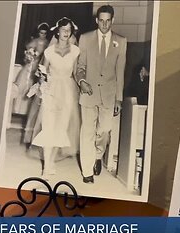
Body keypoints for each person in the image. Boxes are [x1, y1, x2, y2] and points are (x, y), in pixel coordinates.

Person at [76, 5, 127, 184]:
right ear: (97, 20)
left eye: (108, 21)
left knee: (104, 130)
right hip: (88, 94)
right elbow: (80, 66)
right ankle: (87, 171)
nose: (104, 24)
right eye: (101, 20)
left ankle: (98, 155)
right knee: (87, 132)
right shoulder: (85, 39)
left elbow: (120, 73)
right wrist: (81, 81)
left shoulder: (121, 42)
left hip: (109, 95)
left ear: (112, 21)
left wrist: (119, 99)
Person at [31, 17, 81, 177]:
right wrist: (42, 83)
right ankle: (46, 166)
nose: (66, 32)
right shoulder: (49, 51)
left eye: (69, 30)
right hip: (51, 91)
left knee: (61, 128)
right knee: (48, 126)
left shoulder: (75, 51)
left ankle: (51, 161)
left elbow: (78, 72)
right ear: (57, 31)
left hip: (68, 92)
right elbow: (42, 72)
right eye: (63, 29)